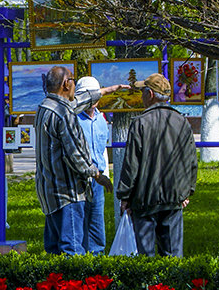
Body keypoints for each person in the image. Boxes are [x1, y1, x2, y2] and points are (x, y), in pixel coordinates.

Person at [33, 66, 114, 255]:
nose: (74, 84)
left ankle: (54, 284)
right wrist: (97, 175)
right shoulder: (63, 113)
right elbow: (75, 154)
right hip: (67, 193)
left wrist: (109, 89)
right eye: (72, 80)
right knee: (73, 249)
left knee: (54, 249)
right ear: (65, 84)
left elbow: (79, 101)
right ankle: (74, 284)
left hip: (49, 191)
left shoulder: (44, 107)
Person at [116, 72, 198, 257]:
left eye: (143, 91)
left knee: (146, 258)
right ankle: (173, 286)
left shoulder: (140, 123)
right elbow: (191, 161)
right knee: (173, 257)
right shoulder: (182, 122)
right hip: (173, 199)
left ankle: (149, 286)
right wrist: (187, 191)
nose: (142, 95)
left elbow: (131, 164)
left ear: (150, 95)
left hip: (144, 200)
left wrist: (125, 196)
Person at [74, 76, 113, 253]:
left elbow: (102, 148)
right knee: (78, 225)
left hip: (98, 181)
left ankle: (97, 263)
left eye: (95, 96)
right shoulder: (73, 119)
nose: (92, 101)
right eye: (86, 95)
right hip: (78, 180)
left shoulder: (100, 120)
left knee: (97, 226)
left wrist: (106, 174)